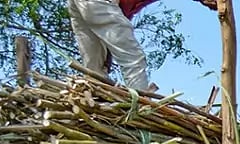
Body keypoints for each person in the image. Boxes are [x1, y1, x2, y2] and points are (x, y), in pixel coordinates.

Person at [67, 0, 217, 92]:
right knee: (133, 57)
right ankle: (139, 103)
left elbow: (114, 33)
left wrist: (107, 59)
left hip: (82, 4)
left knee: (95, 68)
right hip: (99, 2)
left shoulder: (128, 7)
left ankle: (94, 100)